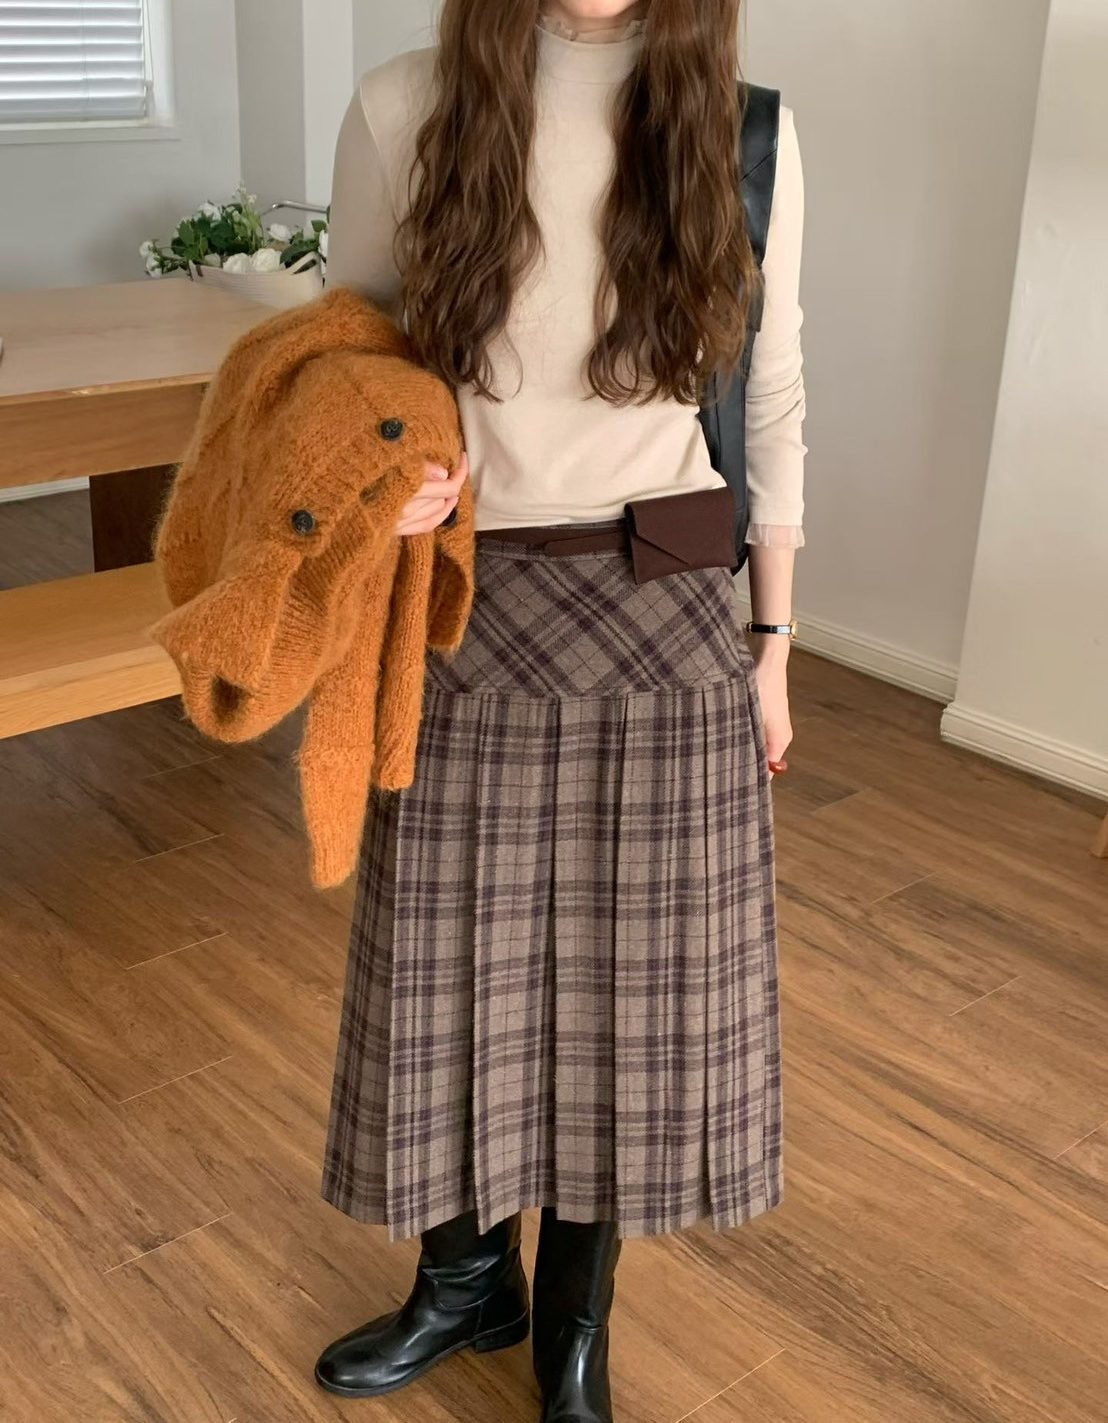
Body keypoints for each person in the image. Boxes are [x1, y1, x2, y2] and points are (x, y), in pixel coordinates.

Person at [315, 1, 806, 1417]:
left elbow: (774, 394)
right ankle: (466, 1282)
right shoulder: (402, 105)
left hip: (668, 603)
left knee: (627, 997)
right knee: (445, 965)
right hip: (465, 599)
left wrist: (774, 646)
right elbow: (349, 356)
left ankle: (576, 1325)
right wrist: (384, 467)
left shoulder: (746, 126)